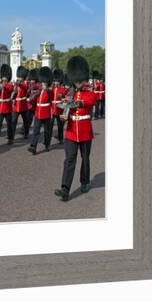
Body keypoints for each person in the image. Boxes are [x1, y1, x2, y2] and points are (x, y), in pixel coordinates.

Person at [54, 56, 98, 202]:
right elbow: (64, 106)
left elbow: (91, 100)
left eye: (80, 80)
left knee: (85, 159)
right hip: (71, 131)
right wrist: (63, 115)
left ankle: (84, 181)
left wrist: (78, 103)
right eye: (76, 80)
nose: (78, 83)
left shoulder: (89, 92)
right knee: (69, 159)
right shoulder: (69, 92)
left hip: (85, 131)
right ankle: (65, 188)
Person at [28, 66, 53, 154]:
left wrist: (46, 89)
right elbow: (33, 90)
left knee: (47, 131)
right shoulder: (39, 87)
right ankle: (33, 146)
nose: (43, 83)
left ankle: (47, 144)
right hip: (38, 112)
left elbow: (51, 94)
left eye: (44, 81)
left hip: (46, 113)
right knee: (36, 130)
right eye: (42, 81)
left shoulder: (50, 89)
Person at [11, 66, 30, 139]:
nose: (19, 78)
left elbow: (23, 87)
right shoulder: (16, 84)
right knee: (13, 121)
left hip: (23, 105)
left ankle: (26, 133)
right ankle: (11, 135)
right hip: (16, 105)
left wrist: (18, 84)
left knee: (25, 121)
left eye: (20, 77)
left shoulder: (25, 84)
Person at [50, 68, 67, 144]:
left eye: (57, 81)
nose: (55, 82)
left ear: (59, 81)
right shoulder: (52, 89)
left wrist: (63, 99)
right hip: (52, 109)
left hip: (60, 109)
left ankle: (61, 138)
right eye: (54, 81)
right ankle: (48, 139)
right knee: (49, 126)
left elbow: (66, 99)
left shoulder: (63, 89)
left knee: (60, 125)